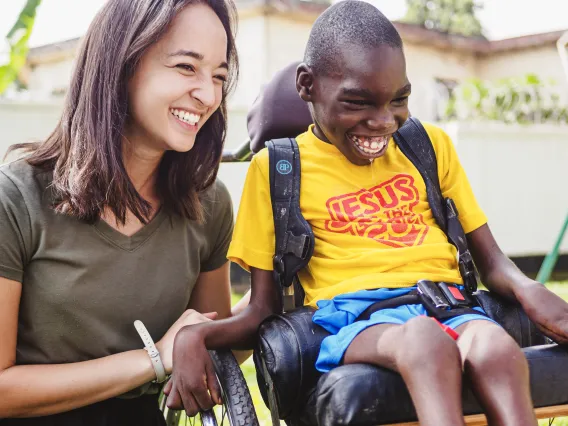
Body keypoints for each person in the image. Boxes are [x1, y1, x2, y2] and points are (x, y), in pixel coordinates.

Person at [167, 1, 568, 425]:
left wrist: (530, 290)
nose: (383, 123)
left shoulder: (428, 148)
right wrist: (197, 335)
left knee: (496, 349)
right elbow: (262, 310)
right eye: (359, 102)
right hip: (355, 319)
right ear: (307, 85)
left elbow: (493, 261)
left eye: (399, 100)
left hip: (450, 305)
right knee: (424, 343)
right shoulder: (278, 170)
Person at [0, 0, 241, 424]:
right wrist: (152, 359)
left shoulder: (208, 204)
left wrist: (280, 287)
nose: (208, 95)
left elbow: (213, 350)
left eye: (219, 75)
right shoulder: (16, 198)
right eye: (187, 67)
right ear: (123, 63)